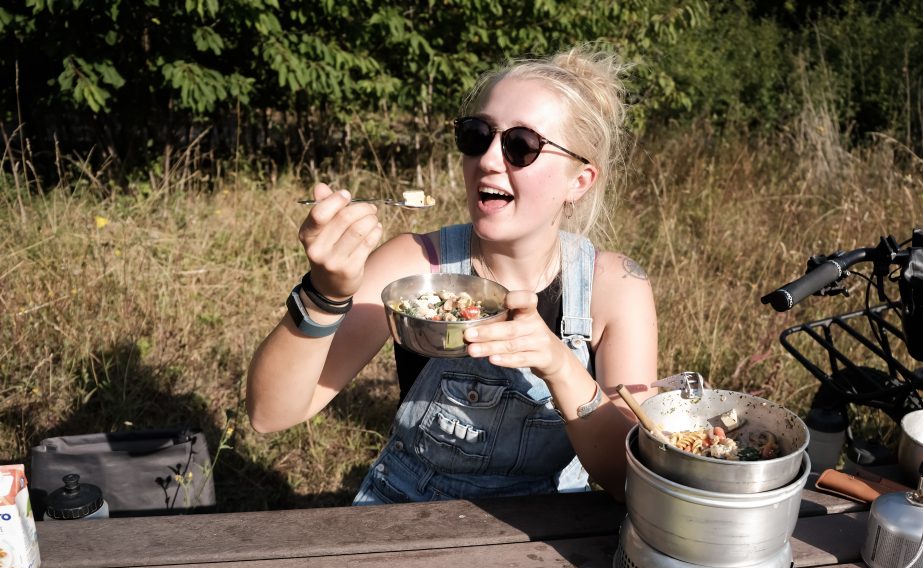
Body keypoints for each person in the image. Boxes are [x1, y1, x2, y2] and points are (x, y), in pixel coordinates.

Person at [246, 45, 659, 504]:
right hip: (410, 514)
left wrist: (559, 366)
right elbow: (270, 413)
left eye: (521, 145)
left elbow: (633, 481)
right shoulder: (415, 264)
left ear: (578, 181)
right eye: (477, 135)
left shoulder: (615, 288)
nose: (487, 160)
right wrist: (323, 295)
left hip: (555, 529)